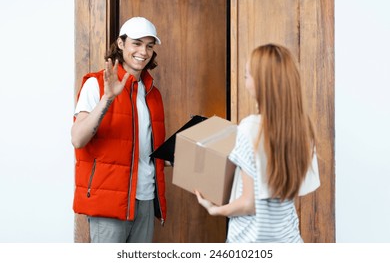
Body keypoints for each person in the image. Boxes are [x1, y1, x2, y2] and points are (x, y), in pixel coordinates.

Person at [195, 43, 320, 242]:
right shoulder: (303, 127)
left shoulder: (251, 128)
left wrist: (215, 210)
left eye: (248, 73)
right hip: (289, 239)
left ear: (263, 81)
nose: (245, 76)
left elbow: (248, 203)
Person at [71, 17, 166, 243]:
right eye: (137, 43)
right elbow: (77, 139)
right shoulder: (96, 84)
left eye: (149, 45)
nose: (144, 51)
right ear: (121, 44)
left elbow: (144, 150)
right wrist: (108, 98)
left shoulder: (152, 94)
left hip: (145, 198)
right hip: (109, 201)